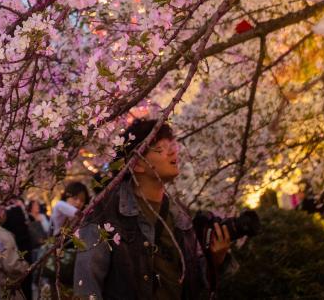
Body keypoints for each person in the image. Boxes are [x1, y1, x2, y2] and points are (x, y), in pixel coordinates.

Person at [73, 119, 232, 299]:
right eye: (160, 147)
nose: (173, 151)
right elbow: (86, 288)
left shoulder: (180, 213)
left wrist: (216, 258)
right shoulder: (105, 213)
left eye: (171, 144)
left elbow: (194, 279)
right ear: (137, 164)